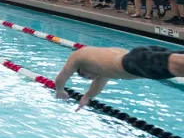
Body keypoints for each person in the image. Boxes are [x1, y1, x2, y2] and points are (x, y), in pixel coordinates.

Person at [55, 45, 184, 110]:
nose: (87, 77)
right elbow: (97, 84)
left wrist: (60, 90)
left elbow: (62, 76)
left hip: (133, 62)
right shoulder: (101, 66)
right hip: (138, 55)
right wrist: (87, 96)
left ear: (81, 68)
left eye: (82, 74)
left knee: (178, 65)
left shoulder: (77, 56)